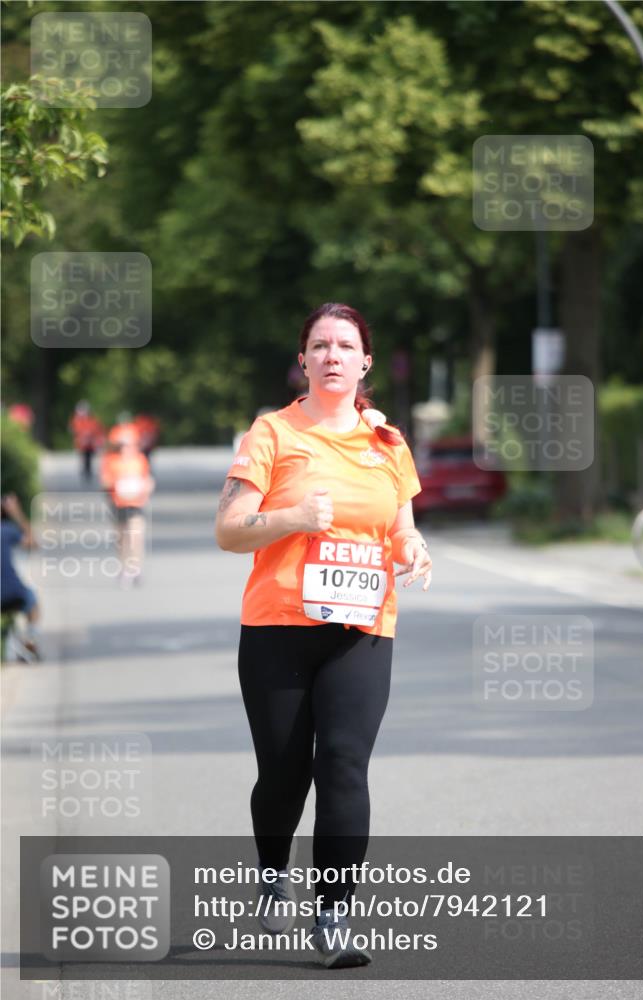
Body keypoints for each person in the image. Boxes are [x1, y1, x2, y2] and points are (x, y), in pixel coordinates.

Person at [215, 302, 432, 969]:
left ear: (365, 361)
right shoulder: (271, 433)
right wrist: (292, 516)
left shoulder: (386, 443)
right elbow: (228, 529)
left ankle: (333, 914)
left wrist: (414, 548)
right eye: (319, 345)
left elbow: (401, 524)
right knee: (284, 775)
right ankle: (272, 869)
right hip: (278, 627)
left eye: (345, 346)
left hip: (363, 628)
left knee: (342, 764)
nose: (332, 355)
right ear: (302, 360)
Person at [99, 432, 154, 587]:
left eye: (130, 445)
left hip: (136, 503)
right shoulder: (111, 461)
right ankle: (123, 567)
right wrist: (117, 484)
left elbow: (147, 479)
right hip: (118, 503)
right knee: (122, 538)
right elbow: (104, 482)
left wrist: (146, 487)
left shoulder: (140, 460)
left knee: (136, 536)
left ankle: (135, 568)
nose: (127, 448)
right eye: (124, 445)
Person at [1, 493, 41, 660]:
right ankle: (29, 641)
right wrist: (17, 513)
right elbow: (33, 543)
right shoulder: (7, 530)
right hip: (13, 592)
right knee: (32, 601)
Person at [69, 401, 105, 483]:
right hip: (81, 443)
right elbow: (73, 430)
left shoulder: (92, 420)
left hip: (90, 443)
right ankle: (85, 470)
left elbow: (97, 430)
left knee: (89, 457)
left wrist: (97, 440)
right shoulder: (76, 420)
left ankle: (88, 471)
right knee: (84, 457)